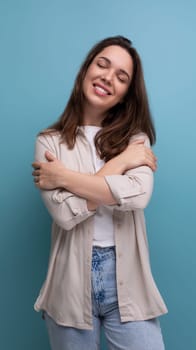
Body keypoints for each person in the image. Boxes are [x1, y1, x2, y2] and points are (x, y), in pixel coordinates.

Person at [32, 35, 167, 350]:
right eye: (102, 64)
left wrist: (63, 176)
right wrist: (121, 166)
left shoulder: (137, 141)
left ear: (125, 95)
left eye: (121, 77)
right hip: (68, 286)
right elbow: (65, 215)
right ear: (85, 70)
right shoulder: (49, 141)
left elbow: (138, 195)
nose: (108, 77)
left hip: (129, 280)